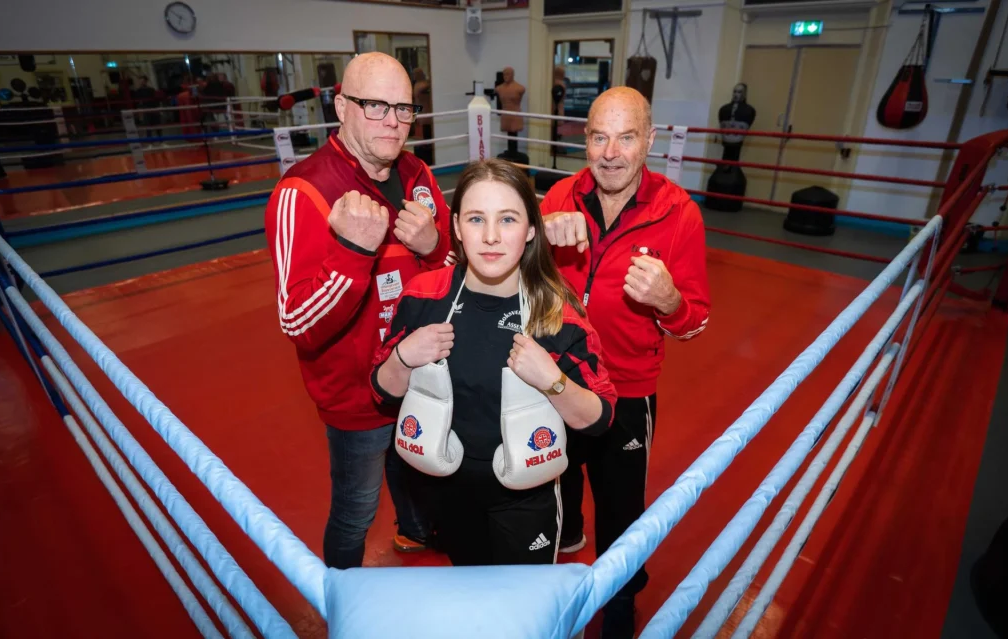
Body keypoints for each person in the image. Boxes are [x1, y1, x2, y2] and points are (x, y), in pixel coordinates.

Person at [369, 159, 617, 566]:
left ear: (531, 229)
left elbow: (600, 418)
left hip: (526, 499)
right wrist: (403, 357)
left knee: (526, 603)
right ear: (456, 227)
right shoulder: (423, 296)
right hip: (446, 490)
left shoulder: (557, 312)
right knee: (469, 588)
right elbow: (381, 392)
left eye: (507, 219)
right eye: (476, 219)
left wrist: (553, 381)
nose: (490, 237)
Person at [264, 52, 451, 569]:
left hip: (422, 371)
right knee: (356, 509)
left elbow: (453, 262)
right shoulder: (303, 191)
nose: (393, 121)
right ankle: (339, 595)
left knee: (416, 465)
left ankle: (415, 531)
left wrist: (434, 244)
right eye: (376, 106)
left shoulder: (416, 172)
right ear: (342, 107)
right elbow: (297, 323)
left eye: (404, 108)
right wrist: (353, 252)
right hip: (356, 396)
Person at [540, 86, 711, 637]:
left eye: (626, 137)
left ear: (650, 140)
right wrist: (538, 240)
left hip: (628, 389)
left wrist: (669, 301)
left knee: (621, 511)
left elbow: (695, 323)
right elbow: (514, 278)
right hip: (556, 379)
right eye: (598, 137)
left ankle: (619, 608)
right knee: (550, 485)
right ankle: (561, 555)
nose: (610, 153)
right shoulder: (561, 196)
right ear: (585, 140)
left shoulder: (679, 214)